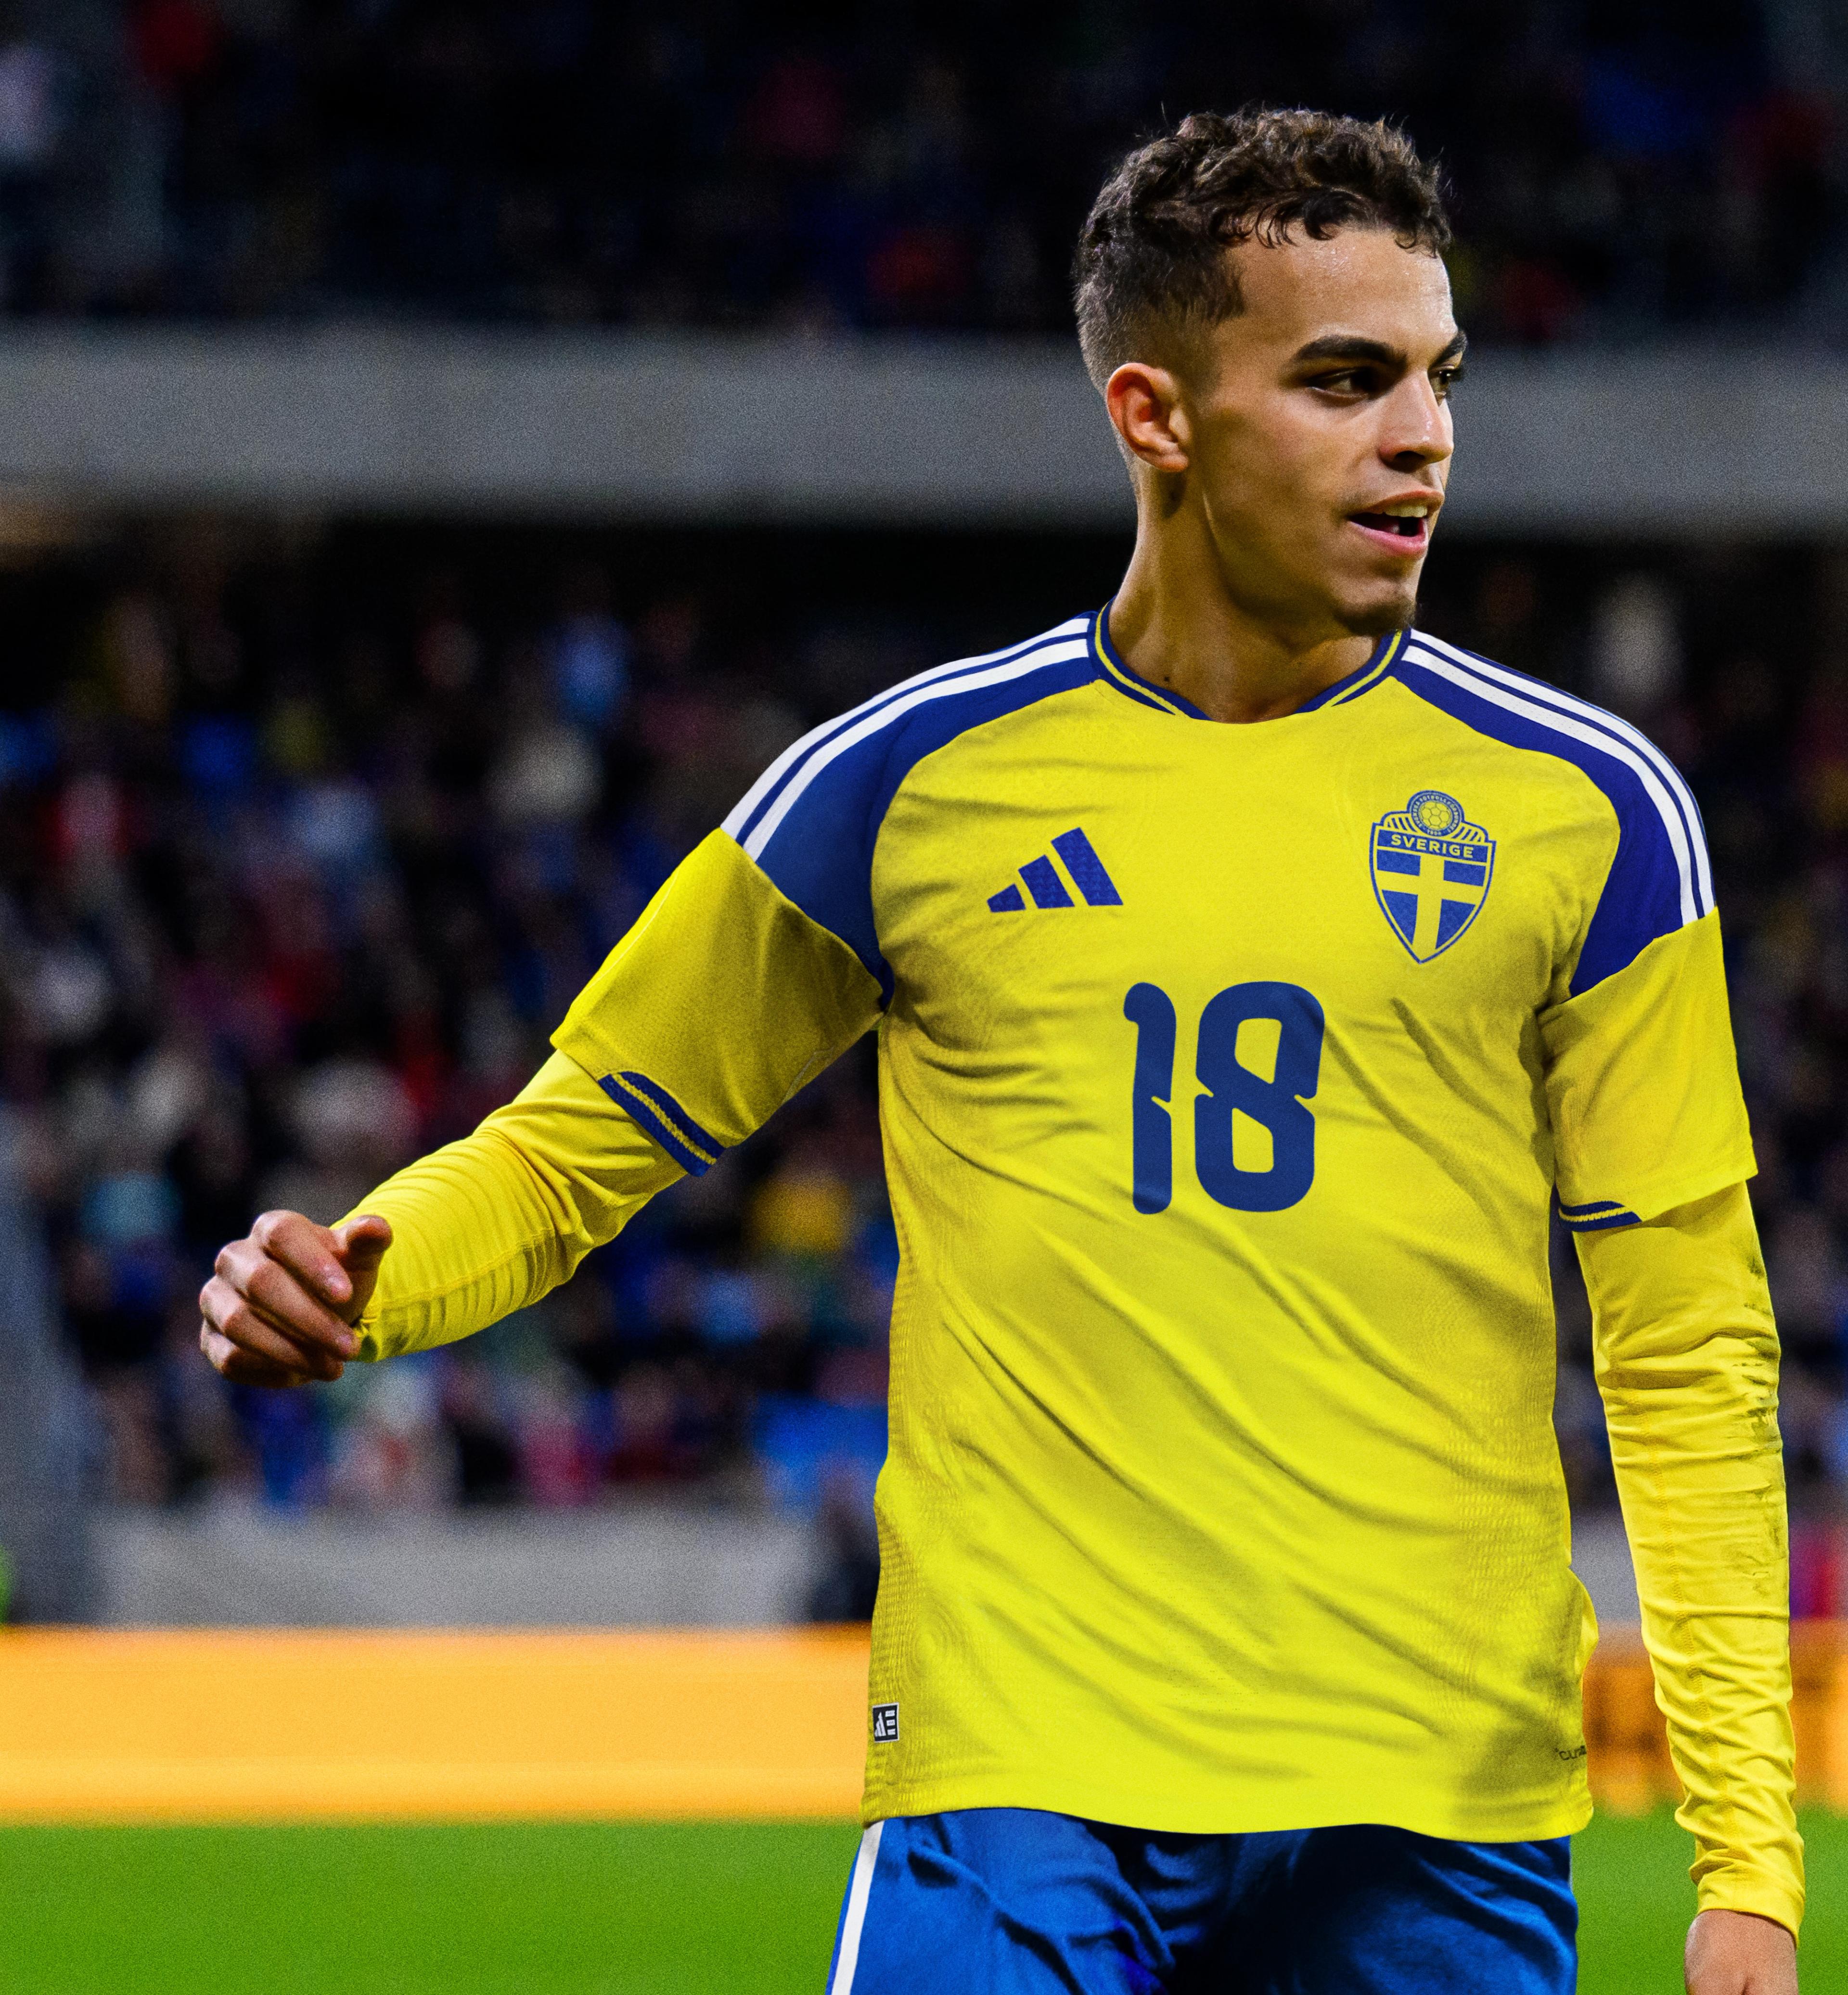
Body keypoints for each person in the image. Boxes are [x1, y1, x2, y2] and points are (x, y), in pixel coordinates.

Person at [199, 109, 1801, 1995]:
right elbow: (573, 1148)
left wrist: (1746, 1861)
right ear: (1157, 415)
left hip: (1433, 1806)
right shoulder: (904, 788)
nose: (1423, 436)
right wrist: (357, 1278)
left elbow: (1686, 1339)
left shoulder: (1596, 814)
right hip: (1019, 1791)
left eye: (1440, 377)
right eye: (1346, 379)